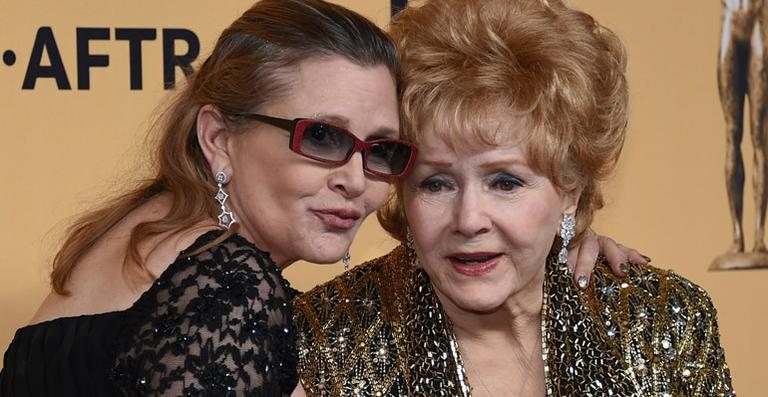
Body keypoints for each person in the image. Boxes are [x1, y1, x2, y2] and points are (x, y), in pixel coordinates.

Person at [0, 0, 641, 395]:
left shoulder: (129, 242)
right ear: (219, 138)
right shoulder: (230, 288)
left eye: (381, 150)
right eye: (324, 137)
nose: (356, 180)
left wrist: (547, 241)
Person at [293, 0, 736, 395]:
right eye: (436, 183)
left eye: (505, 182)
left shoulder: (661, 319)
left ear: (570, 189)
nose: (468, 220)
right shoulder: (322, 340)